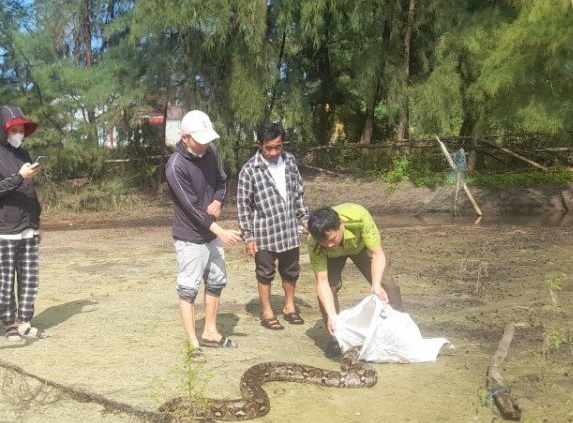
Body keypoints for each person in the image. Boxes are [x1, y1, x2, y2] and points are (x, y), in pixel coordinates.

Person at [166, 110, 243, 355]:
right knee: (188, 288)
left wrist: (219, 201)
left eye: (208, 139)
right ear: (185, 137)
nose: (206, 144)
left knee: (217, 280)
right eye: (200, 140)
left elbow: (222, 181)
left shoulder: (211, 151)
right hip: (190, 237)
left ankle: (210, 330)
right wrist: (220, 231)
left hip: (211, 233)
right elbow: (191, 209)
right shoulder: (175, 167)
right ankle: (193, 342)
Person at [0, 104, 47, 342]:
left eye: (21, 128)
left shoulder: (24, 155)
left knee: (29, 276)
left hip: (27, 226)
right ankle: (9, 323)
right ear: (3, 129)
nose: (19, 133)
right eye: (14, 128)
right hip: (5, 228)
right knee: (7, 277)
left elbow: (30, 191)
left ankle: (25, 322)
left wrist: (36, 224)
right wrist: (20, 176)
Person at [236, 124, 308, 330]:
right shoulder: (250, 169)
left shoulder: (290, 162)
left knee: (291, 270)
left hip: (289, 229)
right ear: (260, 146)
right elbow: (243, 205)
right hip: (264, 232)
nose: (273, 152)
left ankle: (289, 307)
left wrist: (304, 219)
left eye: (278, 147)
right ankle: (267, 311)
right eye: (268, 148)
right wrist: (248, 237)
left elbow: (298, 193)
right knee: (265, 272)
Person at [306, 203, 403, 356]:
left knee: (387, 283)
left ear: (341, 226)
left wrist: (376, 284)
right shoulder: (314, 243)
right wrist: (331, 316)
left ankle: (398, 329)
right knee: (329, 288)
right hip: (331, 258)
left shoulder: (359, 217)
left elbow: (378, 254)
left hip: (360, 246)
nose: (330, 245)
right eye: (324, 243)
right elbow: (322, 282)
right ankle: (336, 337)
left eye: (332, 239)